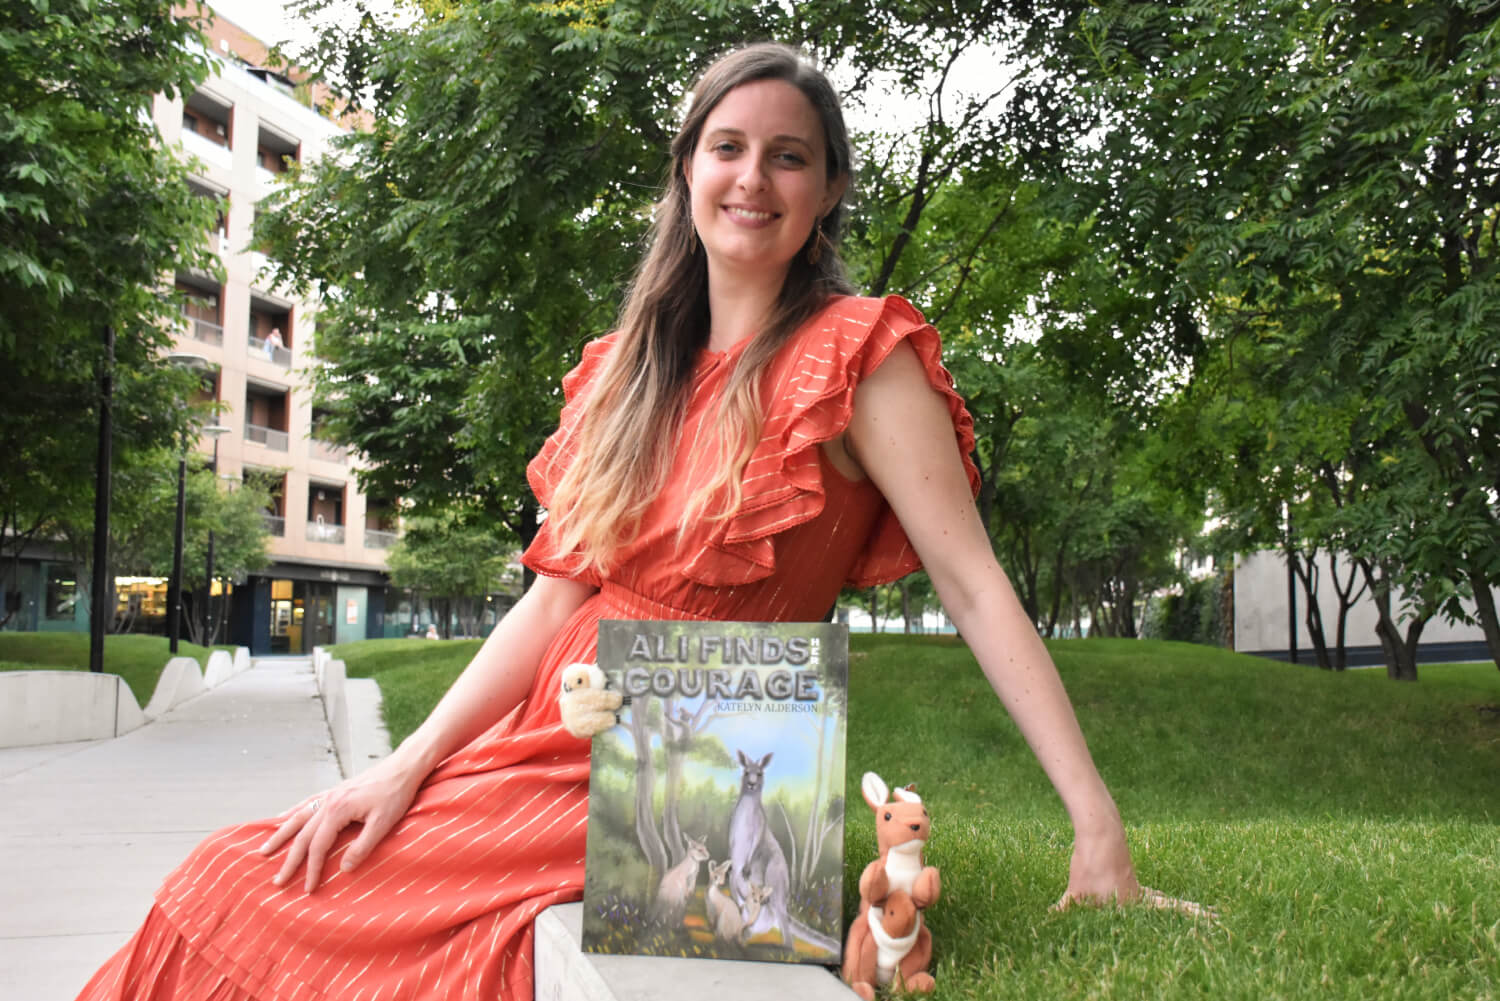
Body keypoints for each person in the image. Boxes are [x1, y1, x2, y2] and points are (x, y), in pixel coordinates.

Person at [76, 42, 1156, 1001]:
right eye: (728, 147)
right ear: (689, 169)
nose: (753, 177)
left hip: (682, 766)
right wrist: (405, 764)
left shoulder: (859, 356)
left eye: (788, 156)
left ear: (828, 188)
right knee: (235, 872)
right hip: (538, 744)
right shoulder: (627, 371)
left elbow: (974, 585)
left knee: (260, 895)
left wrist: (1097, 825)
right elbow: (554, 602)